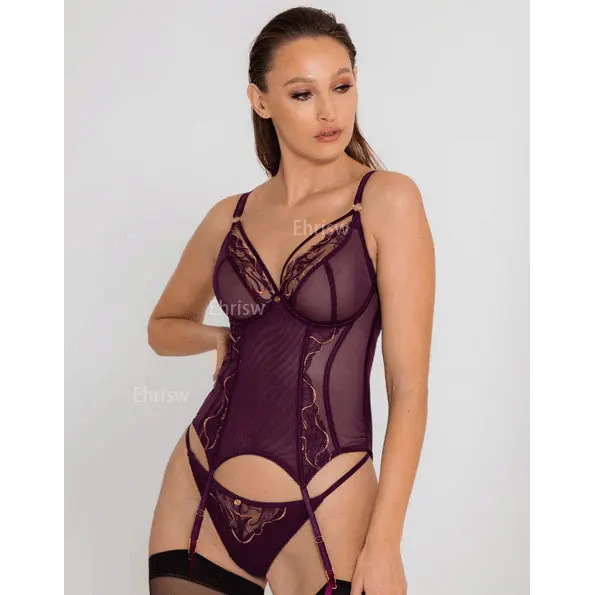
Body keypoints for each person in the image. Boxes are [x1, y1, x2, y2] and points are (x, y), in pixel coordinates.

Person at [146, 6, 435, 595]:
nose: (329, 111)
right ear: (261, 101)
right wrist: (216, 336)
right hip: (200, 495)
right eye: (303, 94)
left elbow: (407, 388)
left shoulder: (386, 201)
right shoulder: (229, 217)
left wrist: (385, 543)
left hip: (329, 503)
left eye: (341, 86)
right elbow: (162, 326)